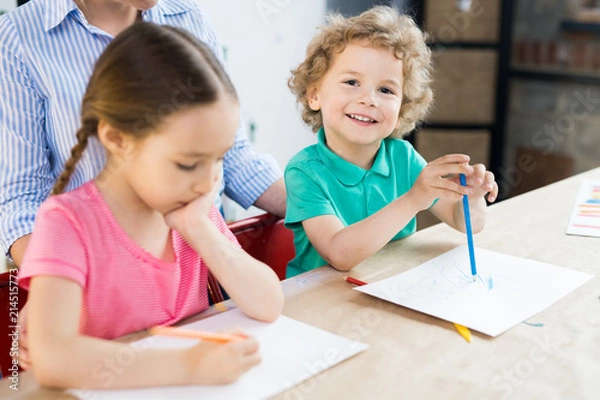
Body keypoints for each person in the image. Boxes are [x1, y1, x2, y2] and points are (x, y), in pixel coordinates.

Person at [17, 22, 284, 389]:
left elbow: (268, 303)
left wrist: (199, 229)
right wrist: (189, 367)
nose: (209, 183)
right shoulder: (67, 223)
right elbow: (53, 358)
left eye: (219, 158)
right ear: (116, 138)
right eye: (189, 163)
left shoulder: (193, 209)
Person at [0, 0, 286, 267]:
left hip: (199, 267)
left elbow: (232, 153)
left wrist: (314, 206)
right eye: (187, 164)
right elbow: (21, 201)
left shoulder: (187, 14)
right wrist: (64, 282)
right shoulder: (20, 37)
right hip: (97, 271)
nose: (203, 182)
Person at [284, 6, 498, 277]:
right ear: (315, 94)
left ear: (400, 112)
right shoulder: (305, 171)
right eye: (351, 82)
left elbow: (467, 223)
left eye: (385, 90)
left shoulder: (404, 158)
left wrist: (472, 198)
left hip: (386, 289)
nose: (368, 99)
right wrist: (413, 199)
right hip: (316, 300)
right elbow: (338, 255)